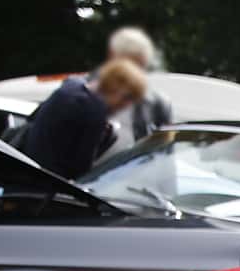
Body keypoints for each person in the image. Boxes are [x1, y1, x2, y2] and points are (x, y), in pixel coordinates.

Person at [17, 59, 147, 179]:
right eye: (128, 99)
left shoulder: (70, 85)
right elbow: (81, 168)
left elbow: (33, 118)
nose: (125, 106)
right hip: (47, 186)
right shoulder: (94, 112)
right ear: (120, 91)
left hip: (25, 171)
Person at [105, 27, 174, 151]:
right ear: (112, 56)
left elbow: (166, 151)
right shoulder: (86, 94)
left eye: (139, 66)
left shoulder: (158, 103)